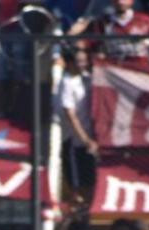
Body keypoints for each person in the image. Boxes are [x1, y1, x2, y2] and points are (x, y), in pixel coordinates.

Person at [58, 48, 99, 207]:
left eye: (84, 61)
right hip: (75, 141)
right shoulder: (66, 82)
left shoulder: (88, 78)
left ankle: (87, 216)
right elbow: (70, 114)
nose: (83, 65)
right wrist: (85, 139)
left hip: (92, 140)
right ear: (69, 63)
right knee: (77, 187)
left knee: (91, 183)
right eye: (78, 61)